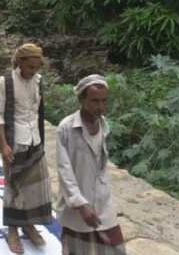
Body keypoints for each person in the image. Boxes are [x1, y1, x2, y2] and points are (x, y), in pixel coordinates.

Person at [56, 75, 126, 255]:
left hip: (102, 199)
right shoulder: (66, 128)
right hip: (77, 200)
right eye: (95, 101)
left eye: (104, 101)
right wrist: (80, 204)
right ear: (81, 99)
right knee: (77, 247)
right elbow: (65, 170)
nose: (100, 107)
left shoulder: (103, 125)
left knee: (114, 246)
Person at [0, 43, 52, 254]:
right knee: (14, 186)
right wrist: (3, 144)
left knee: (35, 187)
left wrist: (41, 141)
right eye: (30, 67)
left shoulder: (38, 81)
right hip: (15, 142)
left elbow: (38, 113)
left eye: (37, 68)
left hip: (35, 140)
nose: (33, 72)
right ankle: (12, 230)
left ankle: (29, 224)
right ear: (20, 63)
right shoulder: (5, 83)